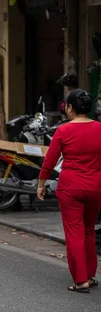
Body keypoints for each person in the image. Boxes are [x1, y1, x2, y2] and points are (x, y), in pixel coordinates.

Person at [38, 89, 101, 293]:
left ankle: (81, 280)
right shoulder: (100, 129)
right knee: (89, 230)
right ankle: (90, 276)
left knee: (75, 232)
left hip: (70, 187)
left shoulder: (63, 131)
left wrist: (41, 183)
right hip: (95, 187)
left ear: (71, 108)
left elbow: (50, 161)